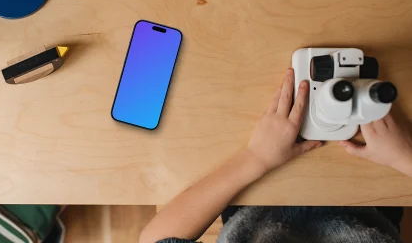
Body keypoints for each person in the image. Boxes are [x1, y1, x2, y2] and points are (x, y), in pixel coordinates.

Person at [139, 68, 412, 243]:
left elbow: (156, 239)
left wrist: (256, 157)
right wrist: (404, 157)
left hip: (255, 201)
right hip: (373, 204)